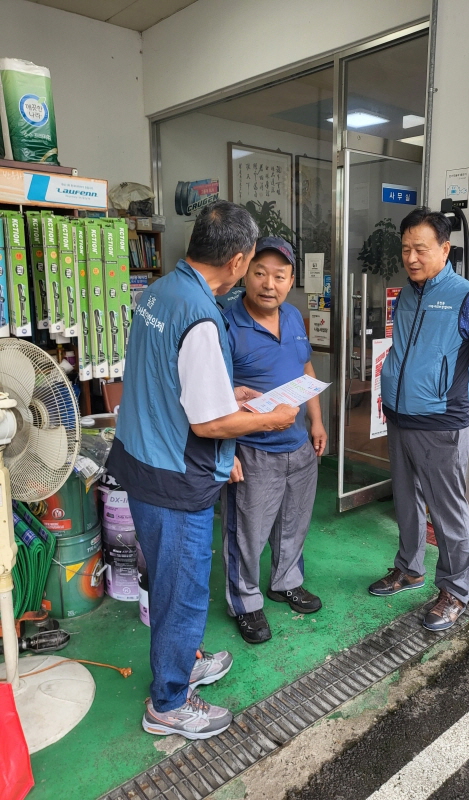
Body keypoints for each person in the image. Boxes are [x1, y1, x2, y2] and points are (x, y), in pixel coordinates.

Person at [107, 202, 298, 739]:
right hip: (174, 475)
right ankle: (168, 704)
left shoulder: (163, 290)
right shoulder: (202, 316)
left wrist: (226, 391)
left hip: (142, 459)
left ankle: (181, 659)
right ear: (238, 261)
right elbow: (211, 424)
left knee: (170, 579)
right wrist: (270, 418)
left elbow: (171, 375)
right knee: (184, 586)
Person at [369, 207, 469, 631]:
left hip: (442, 425)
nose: (411, 257)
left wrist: (456, 404)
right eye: (405, 248)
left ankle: (455, 591)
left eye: (420, 249)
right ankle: (409, 568)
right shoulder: (407, 292)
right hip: (400, 419)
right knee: (406, 502)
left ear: (444, 249)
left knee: (449, 514)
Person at [221, 237, 327, 644]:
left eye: (279, 276)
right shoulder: (226, 323)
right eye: (260, 273)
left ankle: (285, 582)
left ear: (291, 280)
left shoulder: (294, 318)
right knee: (247, 533)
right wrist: (226, 451)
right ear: (244, 272)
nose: (269, 284)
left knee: (294, 523)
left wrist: (315, 421)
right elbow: (215, 394)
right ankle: (245, 603)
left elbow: (304, 369)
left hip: (298, 444)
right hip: (253, 450)